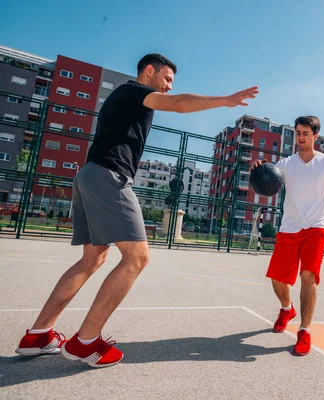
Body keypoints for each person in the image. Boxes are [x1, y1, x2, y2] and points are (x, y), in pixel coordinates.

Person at [15, 53, 259, 367]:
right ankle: (86, 341)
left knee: (93, 258)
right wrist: (224, 100)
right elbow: (179, 104)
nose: (170, 86)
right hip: (108, 176)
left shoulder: (125, 97)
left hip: (89, 174)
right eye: (167, 78)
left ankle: (38, 335)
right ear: (149, 71)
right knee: (138, 257)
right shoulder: (135, 92)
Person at [250, 116, 324, 356]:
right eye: (298, 133)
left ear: (315, 136)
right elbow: (269, 184)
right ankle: (287, 308)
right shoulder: (286, 164)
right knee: (277, 278)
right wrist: (258, 172)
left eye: (306, 133)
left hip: (316, 227)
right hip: (289, 227)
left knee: (309, 275)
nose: (301, 137)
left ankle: (304, 331)